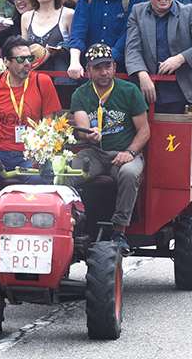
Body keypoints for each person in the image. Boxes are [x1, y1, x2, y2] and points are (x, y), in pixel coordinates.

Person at [0, 36, 62, 225]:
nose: (27, 63)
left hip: (30, 154)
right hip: (1, 153)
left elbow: (50, 120)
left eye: (29, 58)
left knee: (36, 182)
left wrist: (41, 146)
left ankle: (29, 227)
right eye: (21, 59)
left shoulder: (43, 81)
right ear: (6, 61)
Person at [69, 44, 150, 255]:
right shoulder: (81, 93)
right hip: (94, 153)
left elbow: (144, 131)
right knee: (64, 173)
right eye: (97, 68)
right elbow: (81, 130)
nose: (103, 72)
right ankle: (70, 224)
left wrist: (130, 152)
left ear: (114, 67)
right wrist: (90, 134)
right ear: (88, 70)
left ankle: (120, 232)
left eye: (107, 66)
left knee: (130, 173)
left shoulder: (129, 90)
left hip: (124, 152)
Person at [67, 0, 143, 79]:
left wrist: (105, 60)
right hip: (89, 72)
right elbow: (78, 31)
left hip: (119, 73)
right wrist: (74, 62)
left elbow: (129, 34)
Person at [21, 0, 75, 107]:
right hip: (33, 82)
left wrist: (62, 49)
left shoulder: (68, 14)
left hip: (62, 82)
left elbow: (77, 44)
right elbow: (23, 49)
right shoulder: (26, 17)